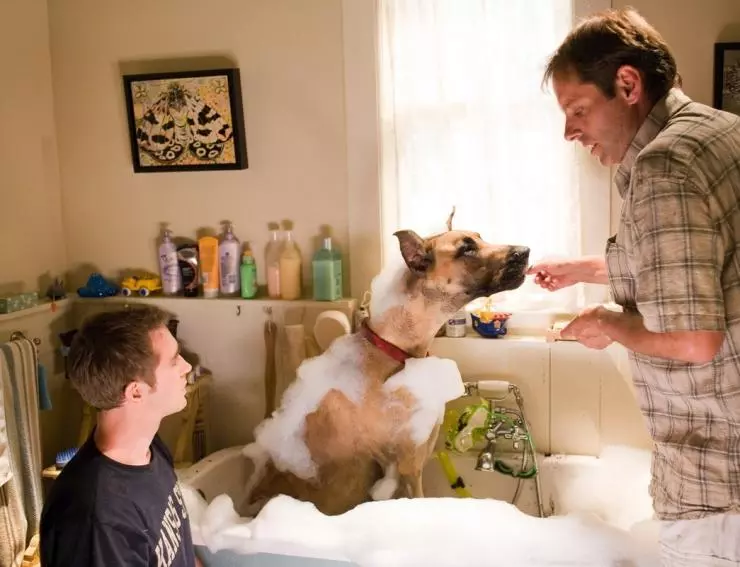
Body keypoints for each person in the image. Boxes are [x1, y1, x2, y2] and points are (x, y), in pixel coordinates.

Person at [531, 7, 740, 565]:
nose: (569, 131)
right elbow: (690, 263)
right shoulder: (721, 132)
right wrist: (582, 268)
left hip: (716, 489)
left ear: (627, 85)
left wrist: (608, 323)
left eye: (578, 109)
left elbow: (695, 339)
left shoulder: (664, 166)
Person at [40, 305, 203, 567]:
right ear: (136, 392)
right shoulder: (97, 521)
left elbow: (176, 551)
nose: (187, 366)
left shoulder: (149, 448)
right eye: (174, 360)